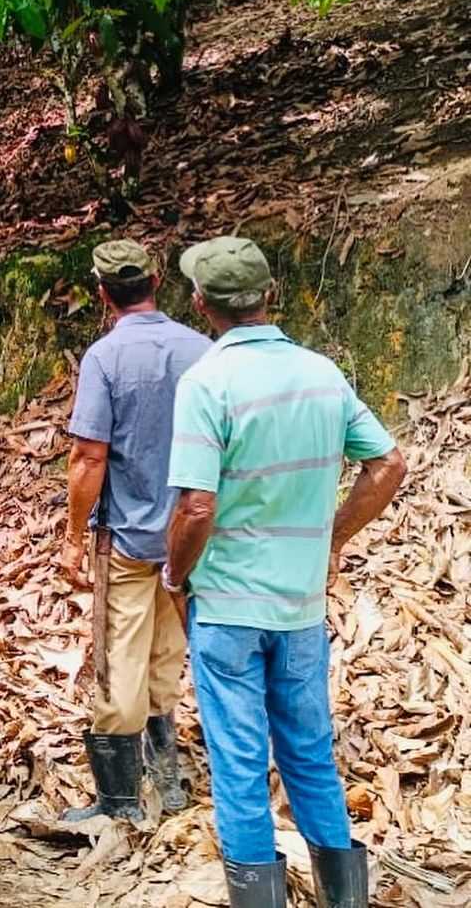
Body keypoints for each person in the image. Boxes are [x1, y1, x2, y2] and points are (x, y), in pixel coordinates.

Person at [165, 236, 406, 908]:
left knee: (239, 763)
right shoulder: (322, 373)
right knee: (310, 752)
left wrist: (175, 576)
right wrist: (332, 538)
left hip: (227, 607)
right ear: (270, 295)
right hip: (300, 607)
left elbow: (197, 505)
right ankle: (345, 898)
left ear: (200, 303)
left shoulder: (206, 382)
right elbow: (388, 464)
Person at [60, 240, 210, 822]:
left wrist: (73, 536)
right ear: (156, 280)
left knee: (119, 655)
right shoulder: (202, 349)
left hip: (126, 533)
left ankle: (119, 801)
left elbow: (89, 456)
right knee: (166, 652)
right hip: (189, 533)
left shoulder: (104, 357)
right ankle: (166, 782)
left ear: (103, 293)